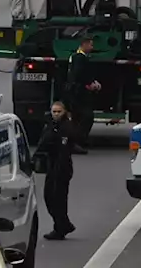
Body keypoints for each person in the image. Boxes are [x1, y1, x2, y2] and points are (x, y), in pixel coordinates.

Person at [37, 100, 78, 240]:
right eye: (54, 111)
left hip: (62, 167)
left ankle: (61, 226)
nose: (56, 114)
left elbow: (64, 150)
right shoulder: (50, 125)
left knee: (58, 199)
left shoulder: (66, 128)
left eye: (58, 112)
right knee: (49, 197)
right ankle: (63, 224)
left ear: (64, 112)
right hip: (51, 165)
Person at [64, 33, 101, 153]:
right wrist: (90, 84)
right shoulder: (80, 58)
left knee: (78, 117)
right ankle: (76, 142)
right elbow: (78, 74)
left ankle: (77, 142)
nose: (92, 47)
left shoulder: (77, 56)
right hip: (78, 93)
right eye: (90, 44)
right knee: (86, 116)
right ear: (84, 44)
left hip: (76, 91)